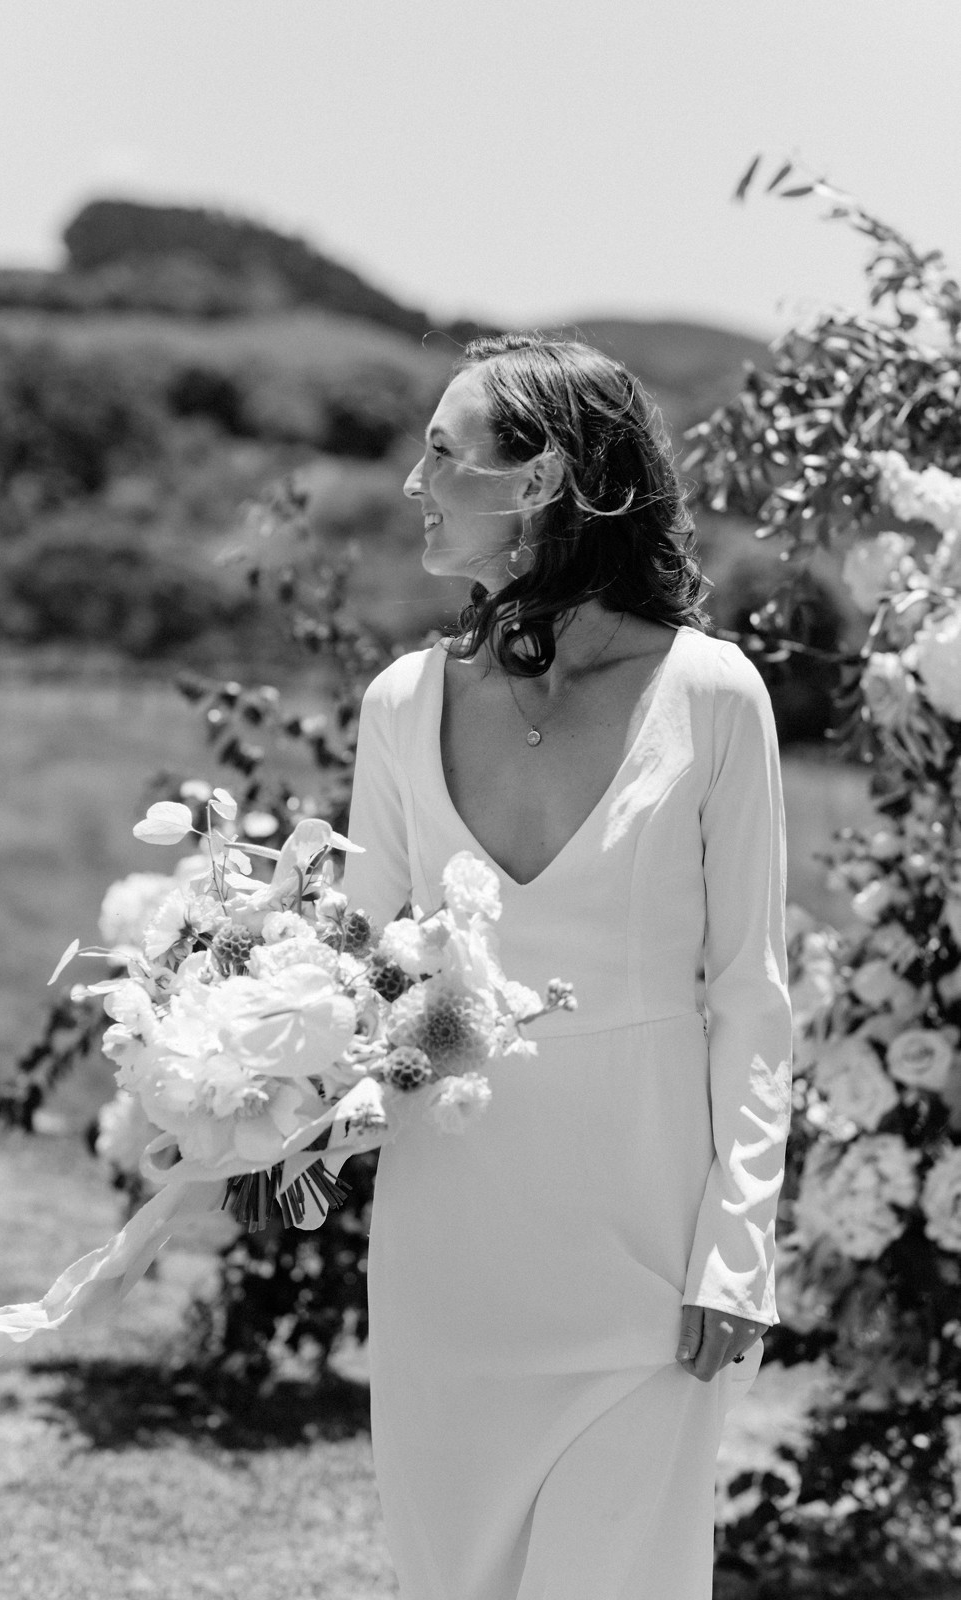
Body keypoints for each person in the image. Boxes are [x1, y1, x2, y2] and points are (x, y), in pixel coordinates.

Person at [340, 332, 792, 1600]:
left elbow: (750, 992)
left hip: (643, 1258)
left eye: (443, 451)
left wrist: (736, 1248)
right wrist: (249, 1073)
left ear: (539, 479)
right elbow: (354, 967)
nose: (414, 482)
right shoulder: (399, 703)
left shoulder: (712, 696)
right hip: (447, 1249)